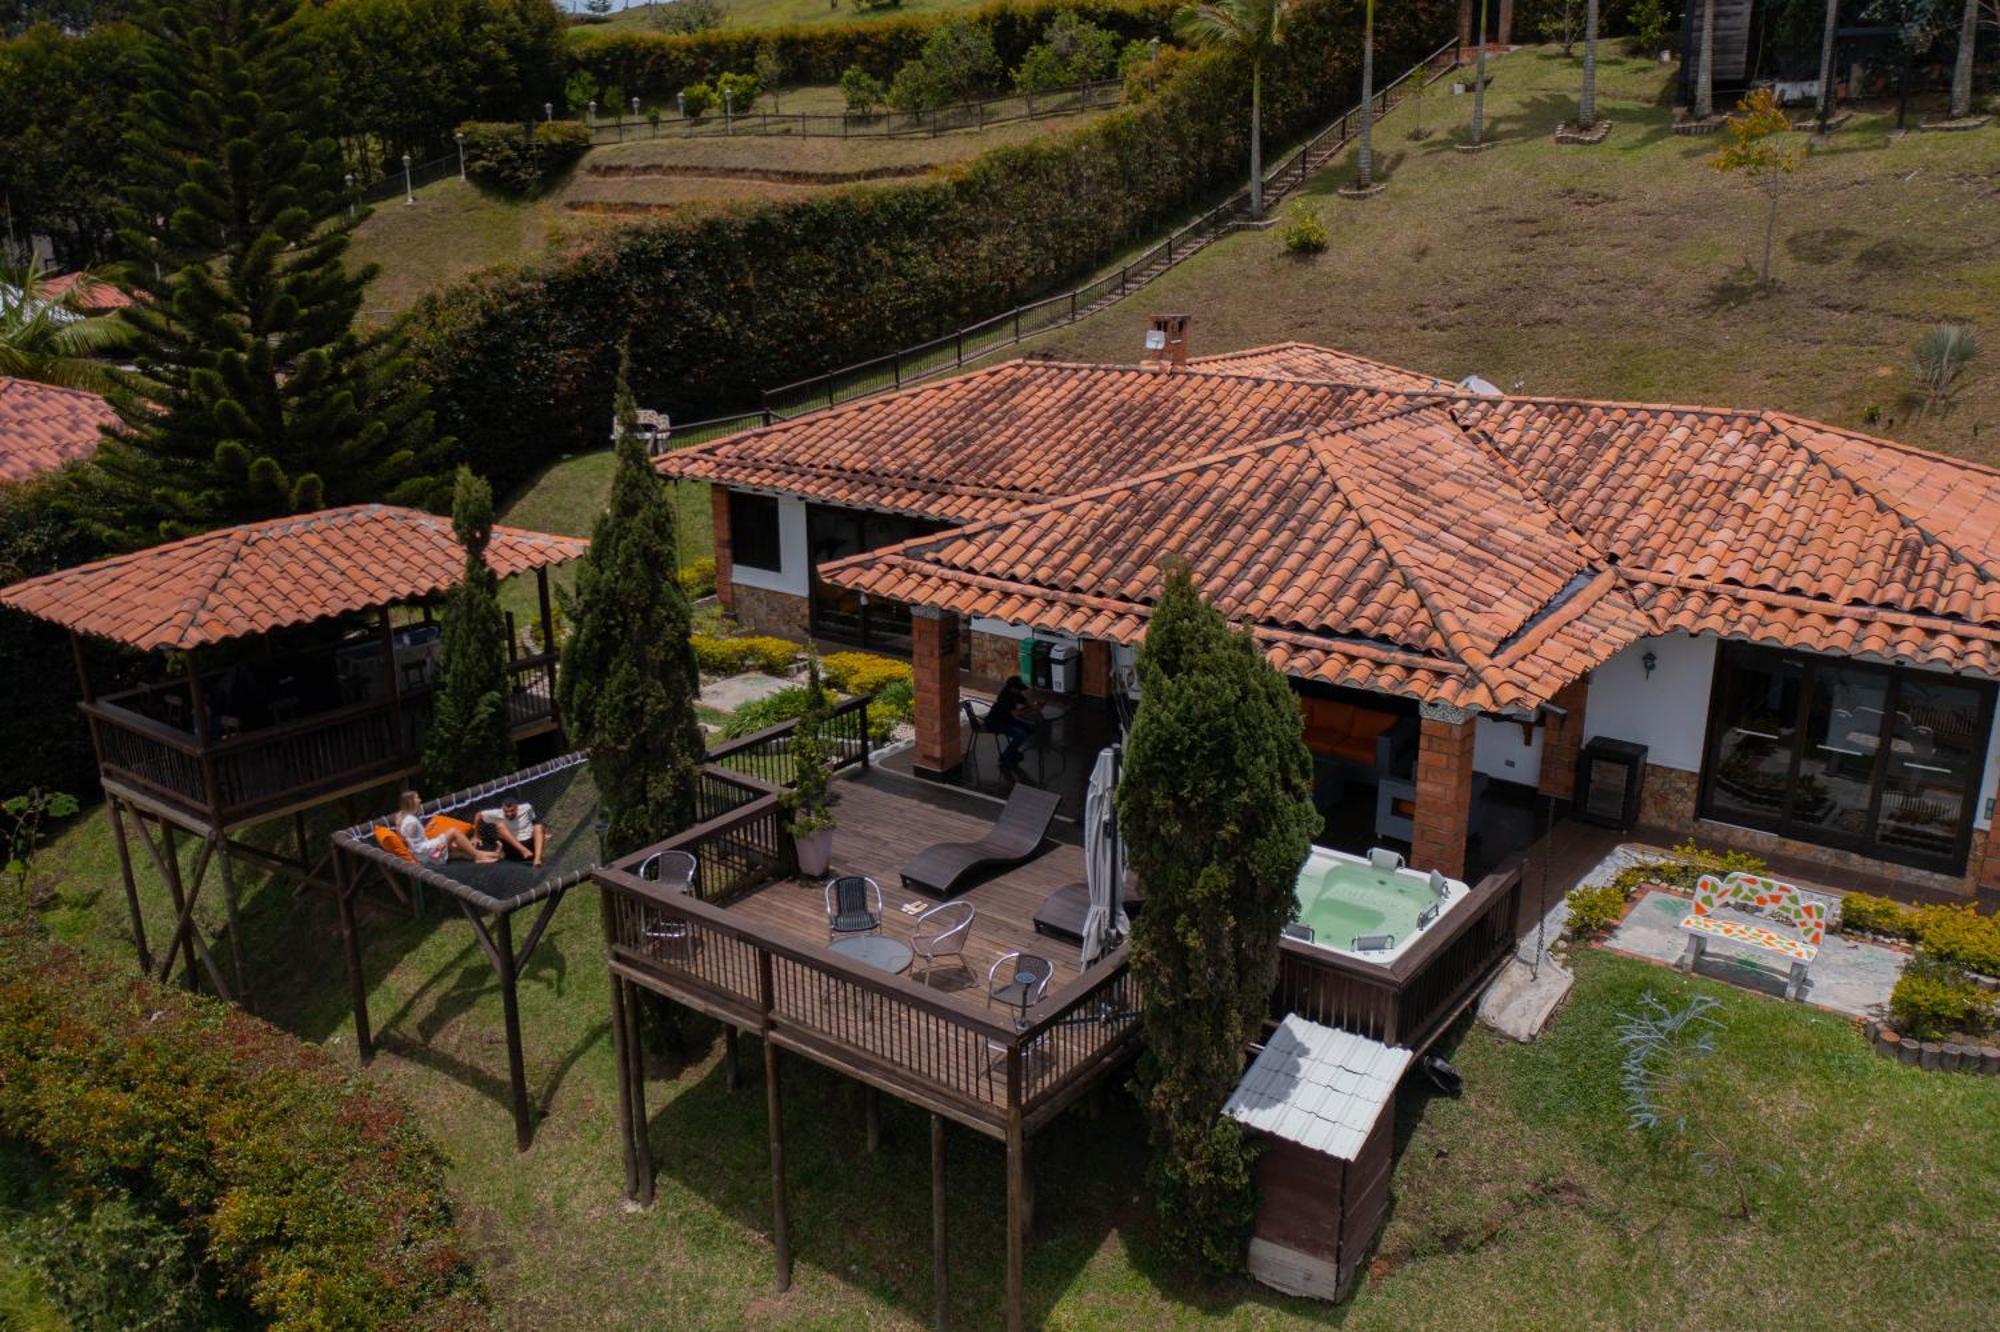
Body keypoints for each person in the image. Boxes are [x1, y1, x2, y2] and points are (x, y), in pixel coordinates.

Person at [397, 790, 498, 865]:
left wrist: (426, 830)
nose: (420, 800)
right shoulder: (410, 821)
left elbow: (411, 839)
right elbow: (413, 843)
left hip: (425, 854)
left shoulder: (404, 818)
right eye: (417, 798)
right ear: (411, 801)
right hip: (427, 854)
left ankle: (486, 855)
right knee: (453, 832)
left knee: (455, 849)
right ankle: (478, 855)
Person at [985, 675, 1041, 777]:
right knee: (1021, 734)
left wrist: (1034, 705)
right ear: (1012, 688)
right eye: (1018, 689)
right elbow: (1016, 714)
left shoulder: (1015, 693)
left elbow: (1025, 701)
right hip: (996, 723)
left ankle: (1013, 750)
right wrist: (1032, 709)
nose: (1020, 691)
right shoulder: (1005, 697)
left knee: (1030, 728)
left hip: (1008, 720)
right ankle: (1005, 757)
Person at [476, 798, 546, 868]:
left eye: (512, 811)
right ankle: (523, 850)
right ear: (502, 809)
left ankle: (537, 860)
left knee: (538, 827)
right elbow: (478, 815)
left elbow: (533, 820)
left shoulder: (527, 808)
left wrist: (543, 833)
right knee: (500, 825)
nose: (509, 814)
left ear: (517, 808)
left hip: (529, 842)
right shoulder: (497, 813)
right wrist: (476, 836)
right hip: (512, 845)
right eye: (506, 811)